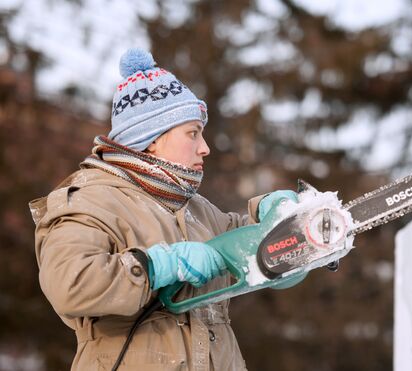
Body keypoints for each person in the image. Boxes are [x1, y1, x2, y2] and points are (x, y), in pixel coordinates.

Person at [29, 48, 297, 371]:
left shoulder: (197, 210)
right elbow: (68, 282)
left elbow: (246, 245)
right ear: (152, 139)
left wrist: (280, 222)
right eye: (193, 133)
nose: (205, 147)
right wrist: (157, 266)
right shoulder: (90, 201)